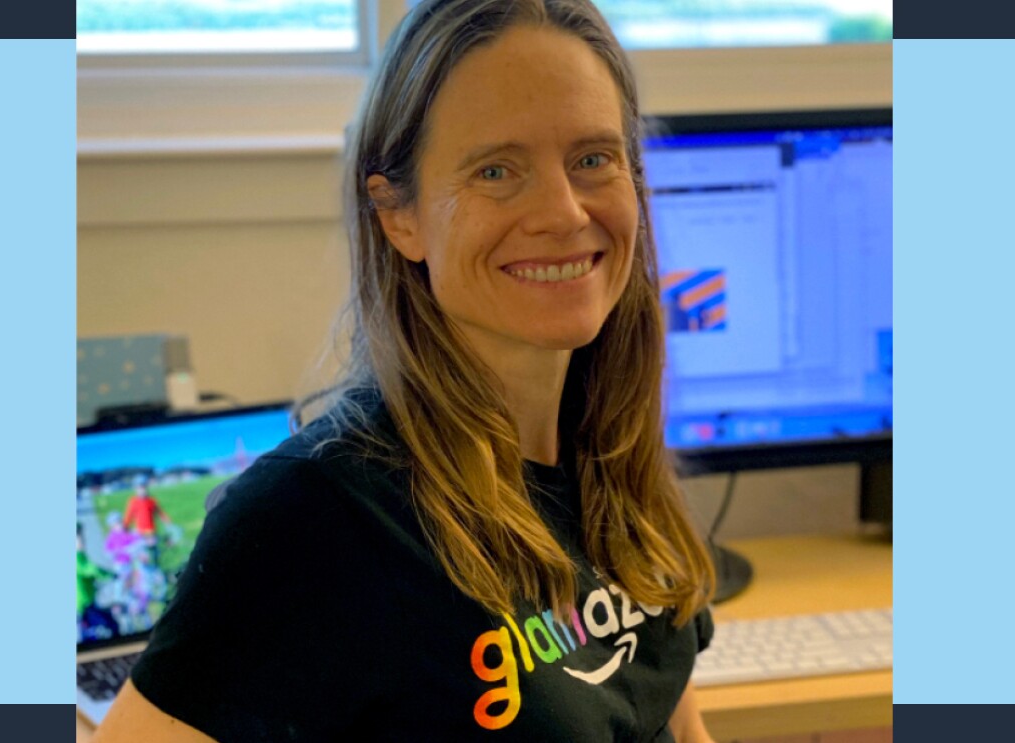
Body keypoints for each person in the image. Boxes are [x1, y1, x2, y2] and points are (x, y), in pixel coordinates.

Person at [93, 1, 716, 740]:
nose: (562, 210)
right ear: (399, 215)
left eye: (592, 158)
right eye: (497, 169)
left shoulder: (613, 462)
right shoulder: (312, 518)